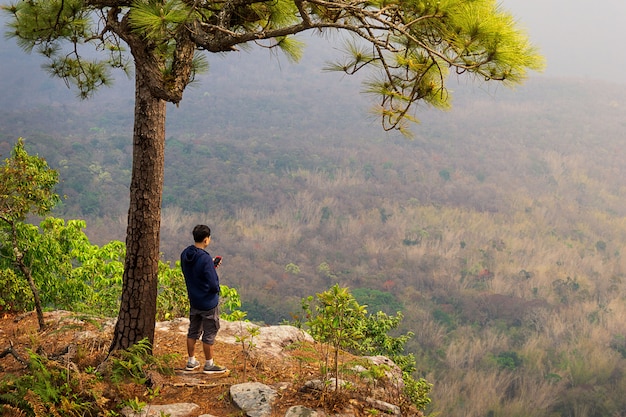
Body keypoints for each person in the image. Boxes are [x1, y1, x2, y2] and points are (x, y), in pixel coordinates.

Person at [180, 224, 227, 374]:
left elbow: (195, 272)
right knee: (209, 332)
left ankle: (191, 361)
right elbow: (213, 283)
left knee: (193, 331)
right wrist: (215, 291)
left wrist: (210, 266)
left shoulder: (186, 254)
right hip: (208, 302)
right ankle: (209, 364)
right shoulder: (205, 258)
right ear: (206, 240)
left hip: (194, 299)